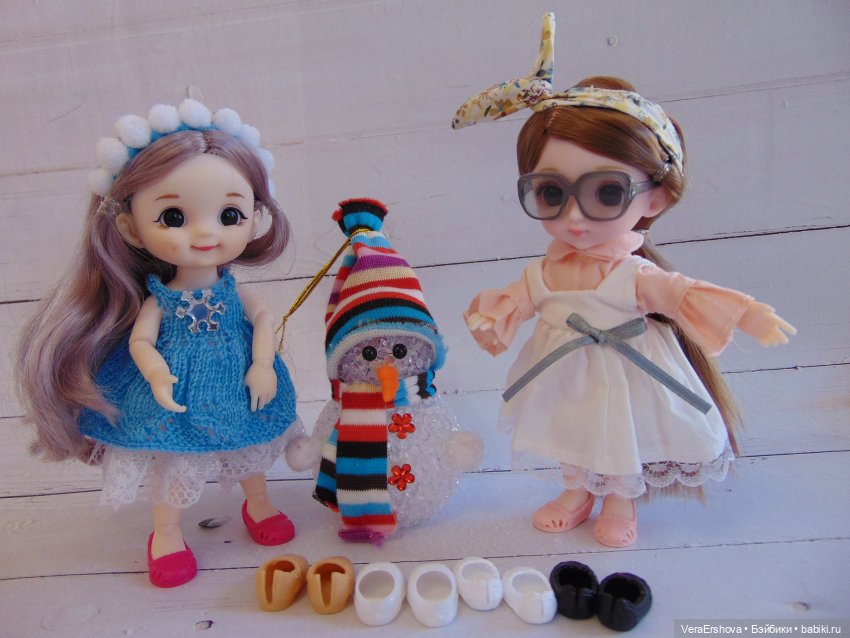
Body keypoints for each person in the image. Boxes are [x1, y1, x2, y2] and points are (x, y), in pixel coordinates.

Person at [454, 14, 795, 547]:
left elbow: (681, 296)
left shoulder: (633, 274)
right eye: (551, 193)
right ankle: (576, 492)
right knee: (570, 429)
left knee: (618, 436)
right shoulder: (543, 272)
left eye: (607, 193)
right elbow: (517, 301)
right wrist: (492, 318)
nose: (574, 217)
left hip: (626, 376)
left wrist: (746, 313)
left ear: (655, 197)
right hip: (563, 374)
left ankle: (619, 499)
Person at [16, 99, 301, 586]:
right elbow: (142, 341)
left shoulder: (234, 293)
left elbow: (261, 317)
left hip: (238, 381)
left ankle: (258, 503)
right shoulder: (159, 301)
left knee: (248, 441)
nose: (206, 232)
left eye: (229, 214)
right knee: (172, 460)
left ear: (255, 218)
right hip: (173, 389)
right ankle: (166, 534)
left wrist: (261, 364)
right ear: (130, 227)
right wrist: (154, 372)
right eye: (173, 216)